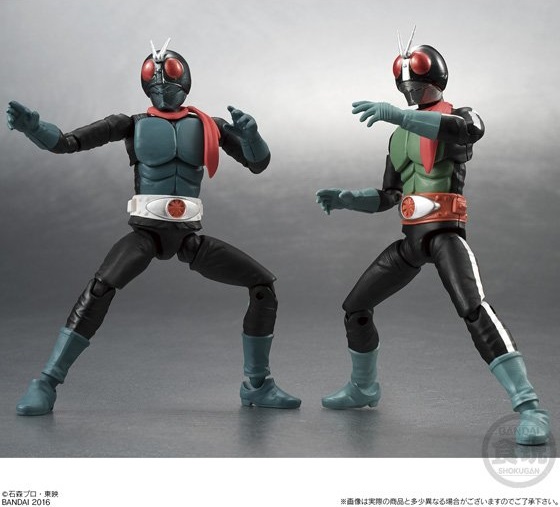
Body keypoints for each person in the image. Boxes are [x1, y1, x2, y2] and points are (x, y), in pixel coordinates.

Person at [8, 39, 301, 415]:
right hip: (146, 233)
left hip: (188, 236)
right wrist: (34, 129)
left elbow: (257, 163)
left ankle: (257, 386)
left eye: (170, 71)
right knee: (99, 289)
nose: (162, 79)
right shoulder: (130, 125)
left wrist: (253, 136)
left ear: (186, 77)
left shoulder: (209, 126)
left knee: (263, 287)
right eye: (153, 72)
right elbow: (67, 142)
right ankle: (46, 382)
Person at [316, 33, 549, 445]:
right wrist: (350, 199)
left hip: (445, 235)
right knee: (356, 308)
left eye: (418, 79)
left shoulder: (459, 117)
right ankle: (364, 387)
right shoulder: (398, 136)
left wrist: (399, 116)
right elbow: (389, 195)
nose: (411, 88)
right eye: (405, 81)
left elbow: (465, 131)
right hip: (411, 239)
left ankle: (530, 407)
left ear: (436, 76)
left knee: (474, 309)